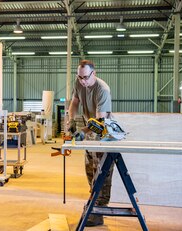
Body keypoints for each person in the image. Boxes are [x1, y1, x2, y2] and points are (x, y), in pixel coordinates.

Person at [68, 60, 113, 227]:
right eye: (79, 77)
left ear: (94, 73)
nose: (82, 81)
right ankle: (93, 200)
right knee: (90, 169)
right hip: (89, 131)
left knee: (102, 171)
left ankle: (100, 209)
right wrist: (71, 119)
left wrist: (82, 132)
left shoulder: (103, 89)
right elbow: (74, 102)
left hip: (103, 133)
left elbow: (99, 121)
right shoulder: (79, 82)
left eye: (85, 77)